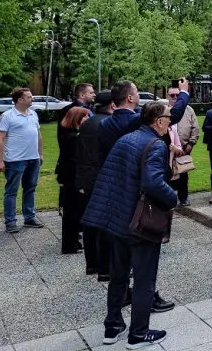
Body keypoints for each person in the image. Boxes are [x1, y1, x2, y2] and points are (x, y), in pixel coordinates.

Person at [82, 102, 179, 349]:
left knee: (119, 275)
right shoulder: (155, 144)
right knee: (145, 279)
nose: (170, 122)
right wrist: (173, 197)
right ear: (158, 121)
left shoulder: (126, 139)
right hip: (140, 223)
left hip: (117, 219)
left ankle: (112, 327)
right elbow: (153, 183)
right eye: (168, 117)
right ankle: (138, 334)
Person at [0, 87, 45, 233]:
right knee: (11, 191)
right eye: (29, 97)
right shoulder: (7, 116)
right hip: (15, 160)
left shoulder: (33, 114)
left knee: (30, 188)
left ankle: (29, 217)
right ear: (20, 100)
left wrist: (40, 154)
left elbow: (38, 135)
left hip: (33, 158)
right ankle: (10, 222)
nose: (32, 98)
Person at [76, 90, 114, 279]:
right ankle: (105, 268)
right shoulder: (108, 124)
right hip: (102, 177)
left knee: (90, 221)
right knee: (105, 224)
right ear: (112, 105)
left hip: (86, 177)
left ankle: (91, 263)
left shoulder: (87, 123)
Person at [58, 106, 91, 254]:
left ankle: (72, 242)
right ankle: (70, 244)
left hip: (68, 177)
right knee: (72, 212)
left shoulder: (69, 135)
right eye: (85, 117)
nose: (88, 119)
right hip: (72, 178)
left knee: (71, 212)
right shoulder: (74, 138)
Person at [167, 85, 199, 207]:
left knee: (183, 174)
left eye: (177, 95)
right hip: (168, 149)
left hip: (185, 149)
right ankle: (169, 198)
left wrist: (191, 143)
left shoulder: (189, 110)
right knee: (169, 174)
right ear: (168, 96)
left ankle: (183, 198)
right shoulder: (164, 110)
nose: (175, 98)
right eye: (172, 95)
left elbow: (195, 128)